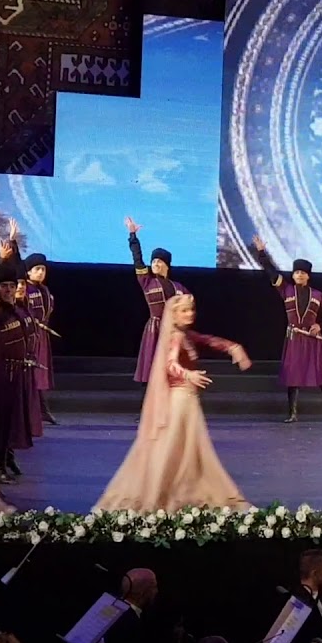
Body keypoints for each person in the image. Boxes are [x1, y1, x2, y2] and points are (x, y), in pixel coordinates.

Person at [94, 295, 253, 511]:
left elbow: (208, 340)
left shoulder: (185, 335)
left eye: (191, 309)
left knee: (186, 450)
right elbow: (169, 364)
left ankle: (179, 492)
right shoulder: (174, 336)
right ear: (174, 315)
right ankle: (158, 495)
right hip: (179, 400)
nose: (190, 314)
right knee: (171, 449)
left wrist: (233, 347)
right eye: (184, 310)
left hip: (188, 400)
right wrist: (188, 375)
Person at [252, 236, 322, 423]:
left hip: (312, 338)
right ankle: (292, 413)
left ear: (308, 276)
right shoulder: (286, 289)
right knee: (293, 375)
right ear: (293, 275)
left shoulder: (318, 295)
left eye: (303, 273)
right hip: (294, 338)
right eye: (296, 272)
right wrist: (261, 253)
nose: (299, 275)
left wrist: (320, 325)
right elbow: (270, 271)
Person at [0, 227, 38, 485]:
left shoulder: (16, 309)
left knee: (7, 428)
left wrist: (12, 247)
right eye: (4, 286)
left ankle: (1, 468)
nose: (8, 289)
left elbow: (17, 272)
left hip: (14, 378)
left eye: (12, 286)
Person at [125, 217, 189, 386]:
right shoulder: (147, 282)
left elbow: (189, 306)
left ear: (167, 265)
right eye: (153, 261)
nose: (155, 264)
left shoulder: (178, 287)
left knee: (172, 374)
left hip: (173, 332)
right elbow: (138, 260)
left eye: (159, 261)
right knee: (153, 371)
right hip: (155, 330)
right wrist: (133, 236)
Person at [21, 248, 57, 425]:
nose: (41, 272)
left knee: (41, 373)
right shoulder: (24, 289)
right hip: (29, 336)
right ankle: (33, 411)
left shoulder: (45, 290)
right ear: (28, 272)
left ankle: (42, 410)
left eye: (43, 269)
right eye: (37, 269)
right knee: (31, 373)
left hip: (42, 336)